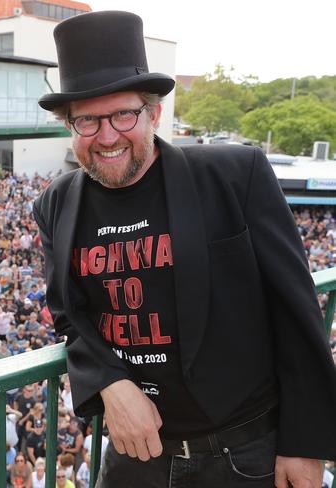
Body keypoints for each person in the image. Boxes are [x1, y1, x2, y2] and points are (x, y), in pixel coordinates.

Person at [33, 10, 336, 488]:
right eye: (87, 121)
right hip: (136, 458)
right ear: (69, 126)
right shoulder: (56, 203)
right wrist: (109, 381)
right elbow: (69, 313)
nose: (107, 136)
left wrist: (306, 444)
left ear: (154, 113)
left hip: (245, 453)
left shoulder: (236, 175)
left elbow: (294, 310)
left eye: (123, 115)